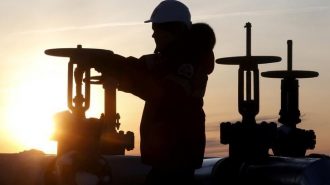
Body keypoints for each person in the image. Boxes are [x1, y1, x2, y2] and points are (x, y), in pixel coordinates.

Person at [90, 1, 216, 184]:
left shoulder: (188, 65)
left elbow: (162, 94)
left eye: (157, 29)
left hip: (178, 157)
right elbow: (137, 66)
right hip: (169, 158)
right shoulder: (168, 59)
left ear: (172, 31)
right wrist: (108, 62)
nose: (153, 34)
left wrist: (120, 78)